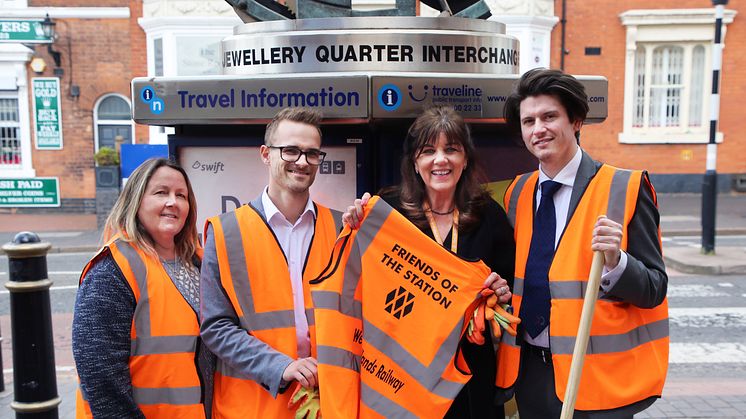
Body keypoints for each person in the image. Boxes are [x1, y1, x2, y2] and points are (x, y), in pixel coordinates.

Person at [499, 68, 669, 418]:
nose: (538, 129)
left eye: (549, 116)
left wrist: (616, 261)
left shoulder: (625, 188)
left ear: (575, 120)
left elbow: (654, 288)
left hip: (597, 385)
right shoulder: (517, 193)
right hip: (531, 375)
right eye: (528, 121)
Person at [343, 105, 516, 418]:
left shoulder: (490, 217)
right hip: (400, 378)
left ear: (466, 160)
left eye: (451, 149)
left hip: (468, 379)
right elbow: (355, 280)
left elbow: (511, 296)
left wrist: (502, 295)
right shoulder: (389, 212)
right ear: (414, 161)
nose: (440, 160)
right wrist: (354, 227)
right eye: (428, 151)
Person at [199, 107, 341, 418]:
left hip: (328, 405)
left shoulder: (343, 229)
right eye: (290, 150)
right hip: (253, 409)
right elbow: (216, 327)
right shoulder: (225, 232)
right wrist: (282, 366)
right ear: (266, 154)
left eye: (311, 153)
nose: (302, 161)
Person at [72, 158, 212, 418]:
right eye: (161, 192)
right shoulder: (112, 269)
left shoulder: (199, 263)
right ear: (136, 202)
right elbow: (100, 374)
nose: (173, 202)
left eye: (181, 195)